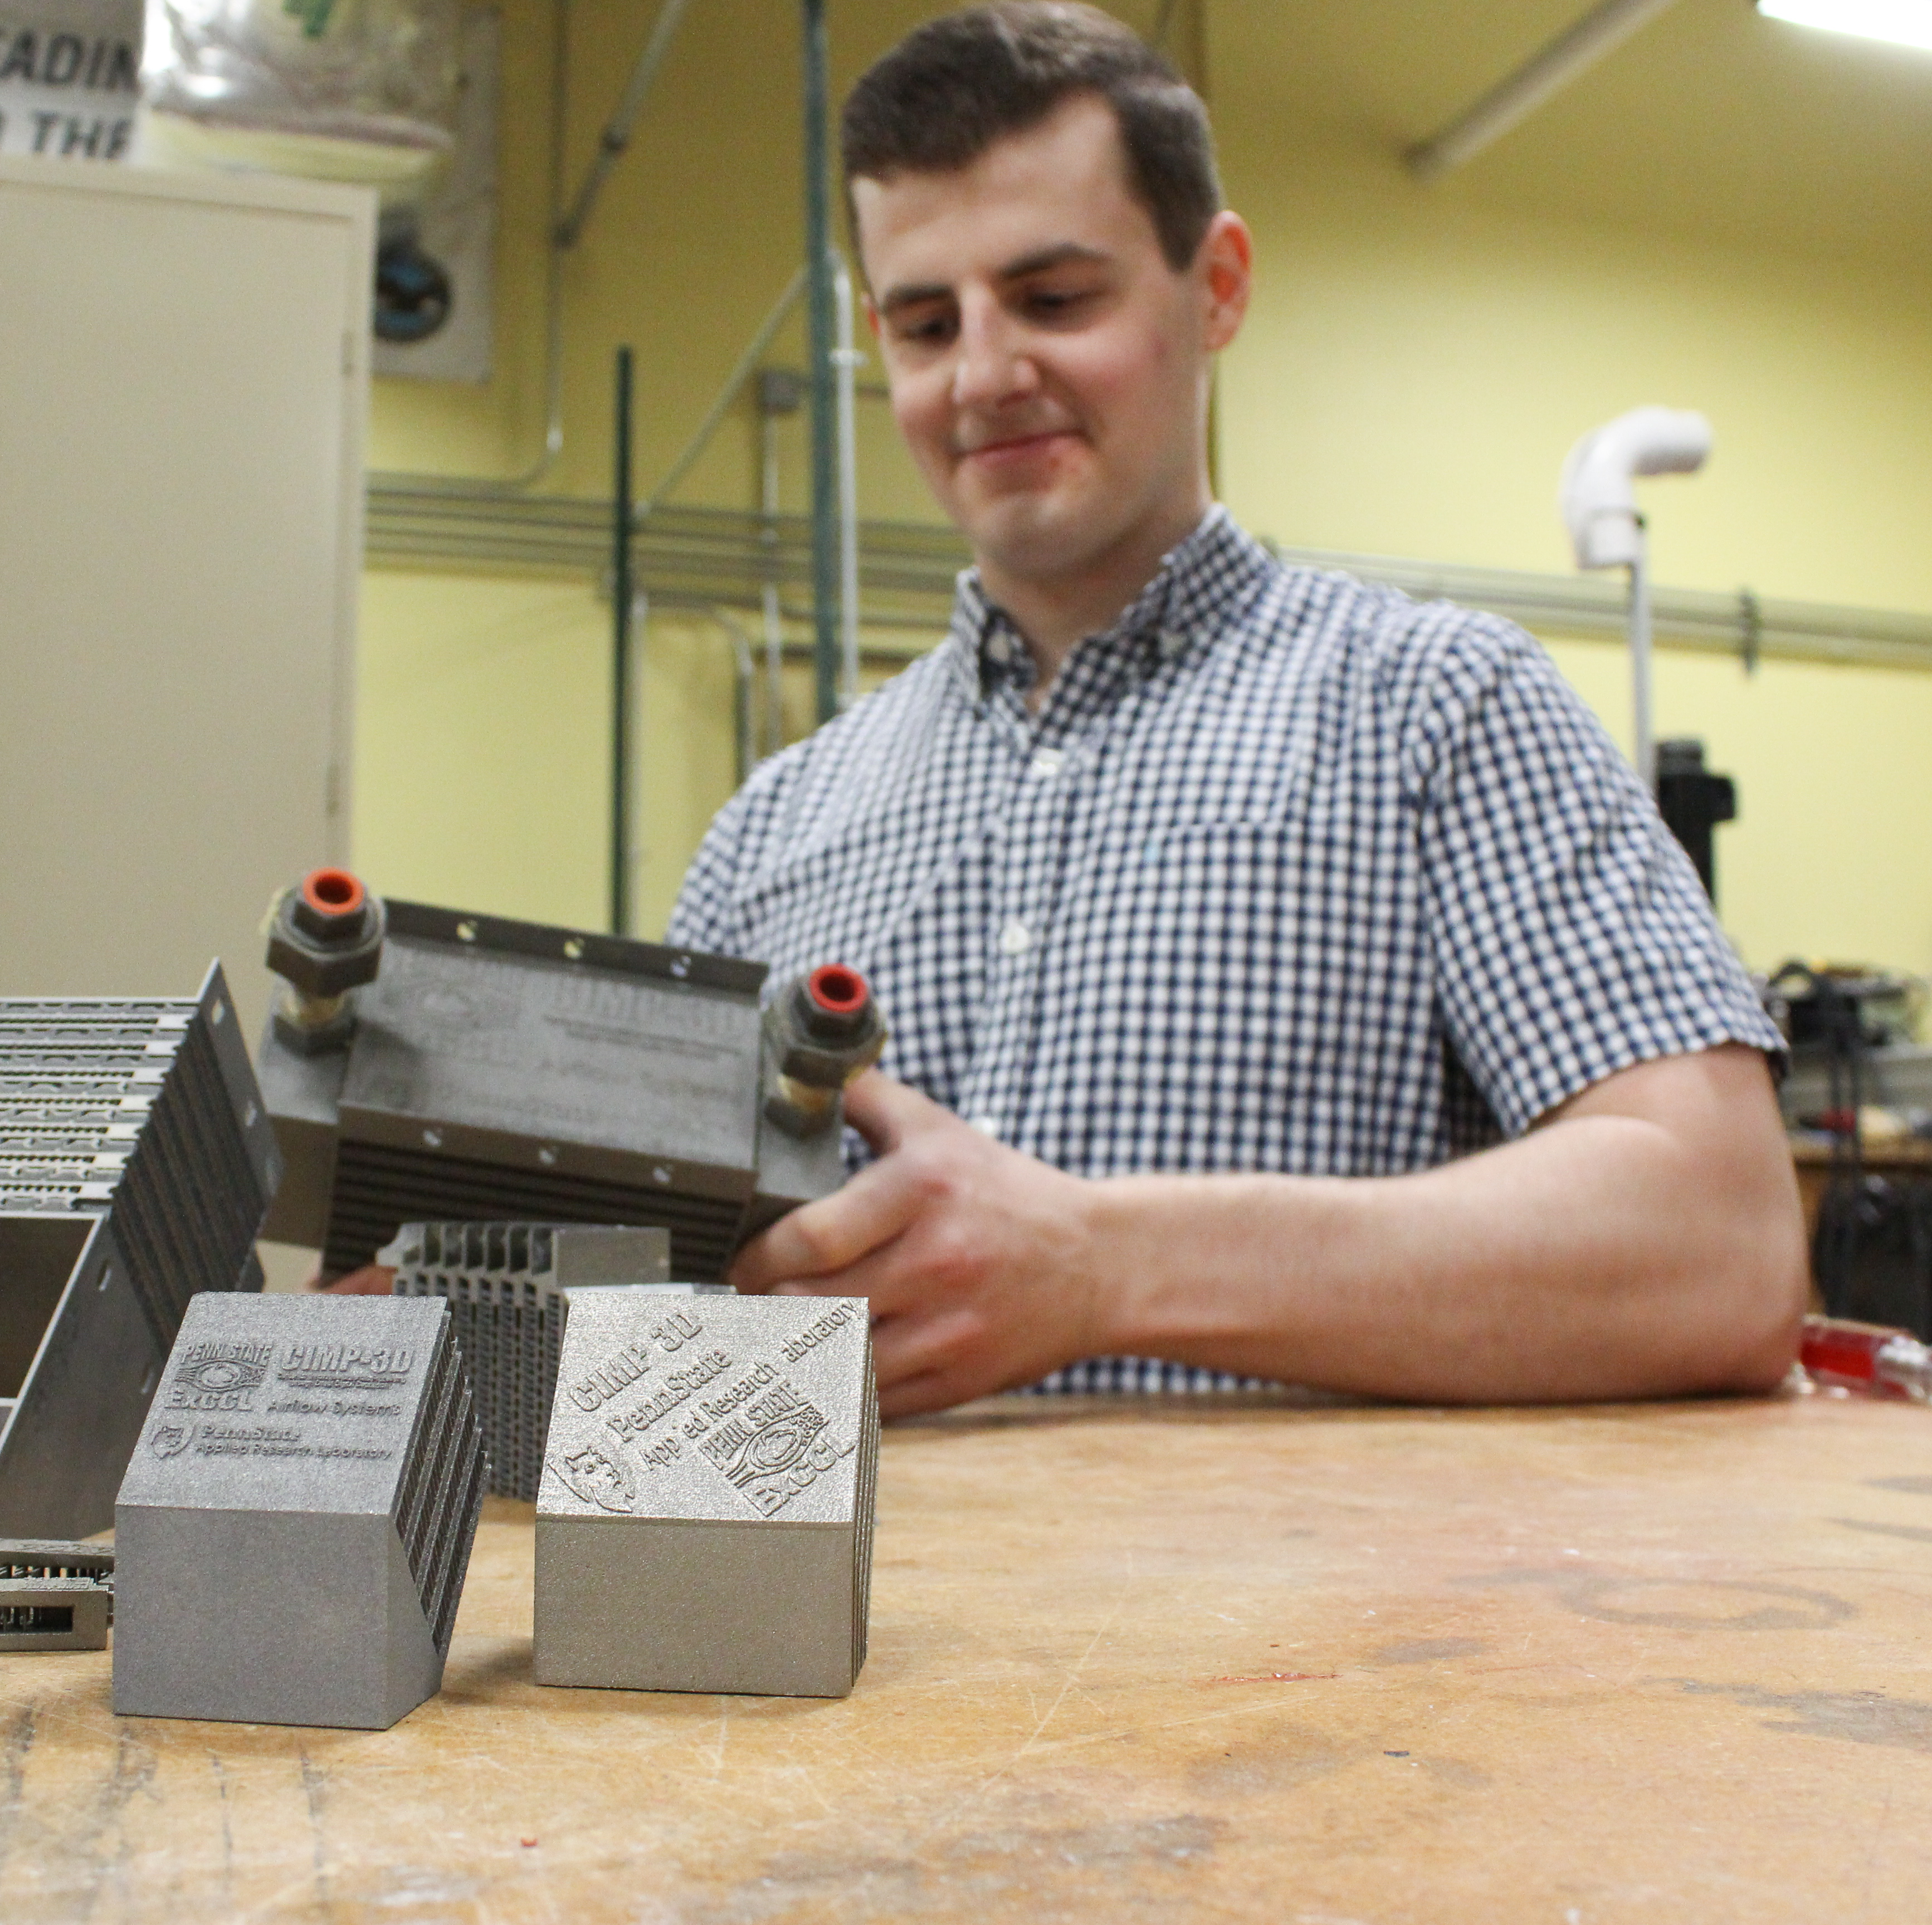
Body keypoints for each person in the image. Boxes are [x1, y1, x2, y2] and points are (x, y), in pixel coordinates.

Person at [663, 1, 1806, 1416]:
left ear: (1216, 288)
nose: (981, 376)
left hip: (1322, 1638)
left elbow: (1723, 1249)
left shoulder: (1438, 710)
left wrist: (1101, 1268)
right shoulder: (772, 828)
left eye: (1055, 299)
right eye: (923, 322)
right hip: (852, 1639)